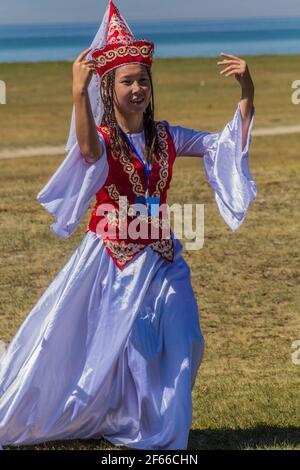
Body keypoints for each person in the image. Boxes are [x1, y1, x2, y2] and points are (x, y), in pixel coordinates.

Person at [0, 0, 256, 450]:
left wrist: (247, 92)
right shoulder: (102, 140)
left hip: (162, 256)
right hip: (114, 260)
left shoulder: (167, 136)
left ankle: (160, 427)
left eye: (143, 80)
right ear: (109, 87)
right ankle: (145, 431)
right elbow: (87, 152)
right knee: (127, 348)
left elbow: (222, 145)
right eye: (127, 80)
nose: (137, 88)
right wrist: (78, 95)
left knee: (185, 337)